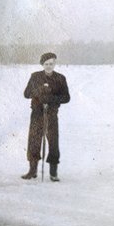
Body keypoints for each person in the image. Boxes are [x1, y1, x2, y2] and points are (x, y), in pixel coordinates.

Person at [21, 52, 70, 181]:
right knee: (34, 142)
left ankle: (53, 173)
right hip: (37, 114)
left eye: (51, 64)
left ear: (55, 63)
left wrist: (52, 98)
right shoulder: (35, 76)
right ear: (42, 64)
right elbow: (26, 94)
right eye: (46, 64)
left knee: (53, 142)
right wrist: (39, 92)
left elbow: (66, 97)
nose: (49, 66)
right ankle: (32, 171)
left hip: (51, 115)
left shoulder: (60, 78)